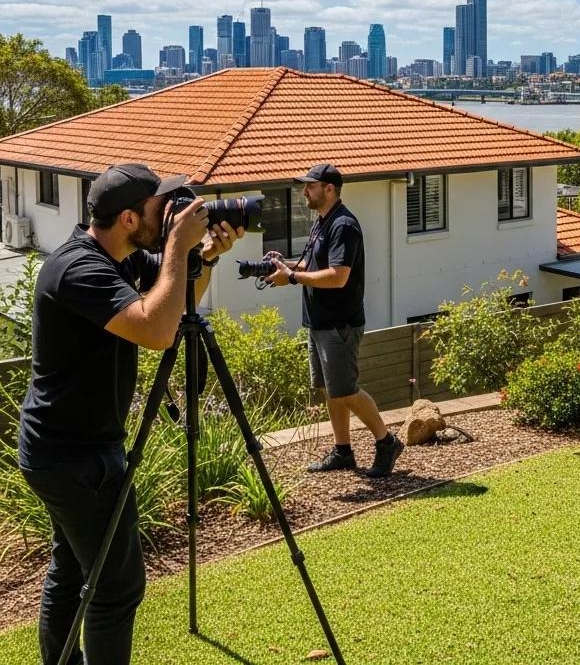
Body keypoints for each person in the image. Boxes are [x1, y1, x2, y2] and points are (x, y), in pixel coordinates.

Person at [18, 164, 243, 665]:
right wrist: (179, 249)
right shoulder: (78, 269)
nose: (167, 216)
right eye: (158, 208)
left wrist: (201, 257)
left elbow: (176, 302)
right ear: (126, 218)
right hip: (73, 456)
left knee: (74, 570)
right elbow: (157, 330)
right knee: (115, 587)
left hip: (72, 447)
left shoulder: (119, 256)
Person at [266, 163, 403, 478]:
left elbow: (338, 277)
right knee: (331, 390)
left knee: (345, 389)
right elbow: (310, 265)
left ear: (329, 189)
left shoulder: (343, 225)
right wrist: (282, 265)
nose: (304, 192)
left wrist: (294, 278)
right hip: (319, 323)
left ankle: (387, 441)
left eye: (310, 186)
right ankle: (343, 451)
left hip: (340, 324)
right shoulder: (322, 222)